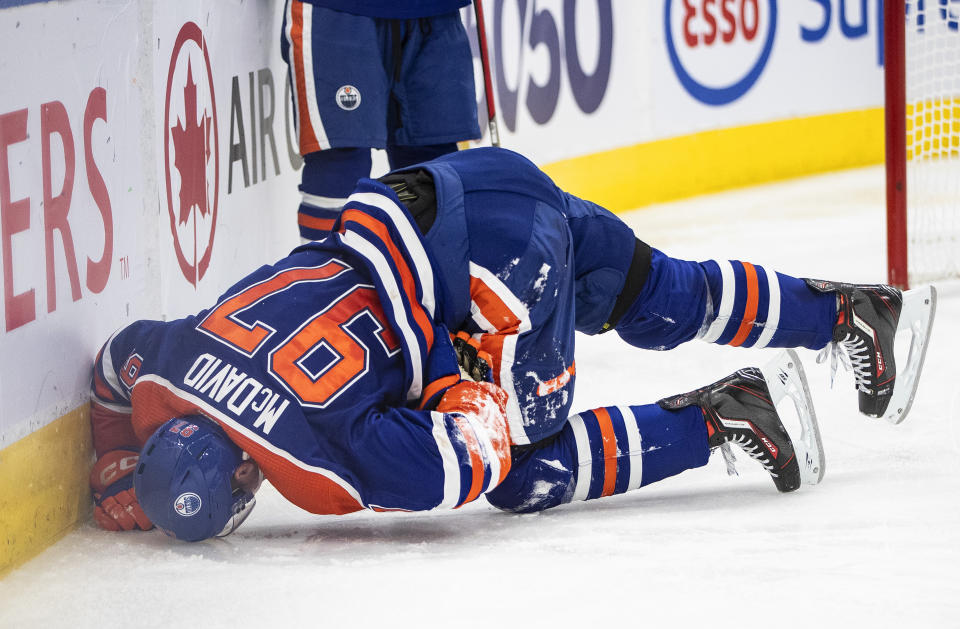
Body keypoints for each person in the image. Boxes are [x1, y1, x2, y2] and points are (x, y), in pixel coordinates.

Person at [87, 147, 937, 541]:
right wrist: (114, 449)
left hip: (498, 267)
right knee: (656, 297)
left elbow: (471, 448)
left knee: (525, 471)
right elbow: (111, 366)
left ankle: (724, 416)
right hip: (447, 190)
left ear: (241, 475)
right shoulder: (171, 355)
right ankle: (850, 313)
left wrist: (448, 379)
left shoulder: (315, 465)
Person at [280, 0, 481, 243]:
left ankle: (426, 279)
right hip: (338, 11)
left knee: (431, 170)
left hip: (436, 12)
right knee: (340, 161)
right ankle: (324, 278)